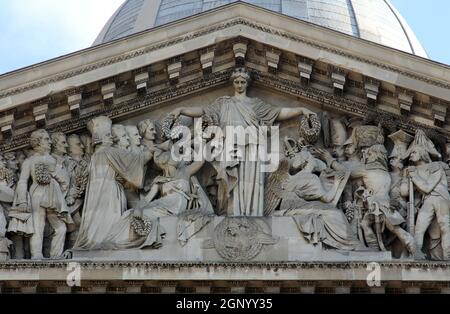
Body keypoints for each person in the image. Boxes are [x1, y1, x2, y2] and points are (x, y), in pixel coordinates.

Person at [170, 67, 315, 216]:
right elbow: (203, 110)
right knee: (231, 182)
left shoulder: (256, 104)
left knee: (252, 183)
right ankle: (233, 212)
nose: (239, 85)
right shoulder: (223, 103)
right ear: (233, 83)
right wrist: (181, 109)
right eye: (237, 82)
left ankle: (252, 213)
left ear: (247, 84)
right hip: (230, 147)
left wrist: (301, 110)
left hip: (253, 147)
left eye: (242, 82)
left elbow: (278, 112)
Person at [73, 116, 153, 250]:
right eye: (108, 135)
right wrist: (154, 149)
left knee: (100, 224)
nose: (112, 138)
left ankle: (97, 239)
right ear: (99, 138)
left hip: (97, 198)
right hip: (110, 194)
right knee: (111, 223)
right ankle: (106, 240)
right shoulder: (108, 152)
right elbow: (138, 160)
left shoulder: (94, 157)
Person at [13, 130, 71, 259]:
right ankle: (37, 256)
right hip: (37, 194)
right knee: (37, 226)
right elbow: (22, 181)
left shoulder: (54, 160)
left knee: (61, 227)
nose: (50, 142)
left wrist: (61, 191)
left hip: (53, 196)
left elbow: (63, 180)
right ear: (37, 142)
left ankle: (56, 256)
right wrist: (22, 201)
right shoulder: (30, 161)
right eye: (46, 139)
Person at [401, 130, 450, 260]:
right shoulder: (412, 170)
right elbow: (404, 193)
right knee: (419, 228)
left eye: (414, 152)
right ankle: (416, 255)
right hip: (428, 200)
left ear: (422, 153)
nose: (411, 155)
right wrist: (405, 178)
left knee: (445, 226)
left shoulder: (436, 166)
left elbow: (427, 188)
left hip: (441, 198)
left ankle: (447, 258)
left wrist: (414, 175)